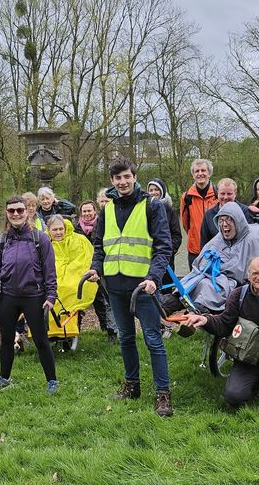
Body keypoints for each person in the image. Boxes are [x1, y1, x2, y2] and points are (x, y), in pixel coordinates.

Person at [85, 157, 174, 417]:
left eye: (126, 177)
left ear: (134, 177)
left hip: (143, 287)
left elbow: (163, 246)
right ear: (112, 181)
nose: (122, 182)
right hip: (114, 285)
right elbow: (100, 245)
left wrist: (154, 278)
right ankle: (132, 385)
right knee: (125, 338)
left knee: (153, 339)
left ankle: (163, 393)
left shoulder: (152, 206)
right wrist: (95, 267)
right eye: (117, 178)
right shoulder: (107, 210)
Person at [184, 255, 259, 423]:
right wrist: (206, 320)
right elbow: (224, 324)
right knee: (234, 398)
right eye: (255, 273)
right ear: (248, 276)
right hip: (248, 359)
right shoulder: (238, 295)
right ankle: (255, 383)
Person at [0, 195, 59, 394]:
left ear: (27, 212)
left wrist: (51, 297)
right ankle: (5, 377)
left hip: (34, 296)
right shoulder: (1, 241)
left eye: (20, 210)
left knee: (41, 340)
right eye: (11, 211)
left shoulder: (40, 238)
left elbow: (50, 271)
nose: (16, 214)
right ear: (7, 214)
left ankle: (52, 381)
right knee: (7, 339)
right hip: (8, 297)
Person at [178, 202, 259, 319]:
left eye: (229, 220)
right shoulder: (218, 240)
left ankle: (198, 311)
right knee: (194, 280)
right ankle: (170, 303)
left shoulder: (252, 239)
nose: (224, 224)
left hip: (236, 285)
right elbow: (199, 264)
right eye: (221, 220)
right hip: (216, 280)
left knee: (206, 285)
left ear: (238, 221)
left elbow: (257, 270)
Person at [46, 215, 98, 337]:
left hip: (75, 276)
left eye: (60, 229)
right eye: (55, 230)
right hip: (53, 277)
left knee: (70, 288)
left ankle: (71, 327)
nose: (58, 232)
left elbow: (85, 260)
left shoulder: (78, 240)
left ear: (65, 228)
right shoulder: (44, 243)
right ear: (49, 231)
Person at [73, 200, 116, 342]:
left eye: (89, 211)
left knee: (102, 299)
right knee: (78, 299)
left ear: (95, 211)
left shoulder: (101, 225)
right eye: (84, 211)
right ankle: (75, 331)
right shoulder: (75, 228)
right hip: (81, 269)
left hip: (100, 267)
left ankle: (108, 329)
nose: (86, 214)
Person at [180, 158, 218, 267]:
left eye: (203, 170)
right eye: (197, 171)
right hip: (195, 249)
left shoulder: (218, 194)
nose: (200, 174)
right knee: (195, 282)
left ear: (209, 173)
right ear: (193, 175)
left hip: (216, 248)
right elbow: (185, 223)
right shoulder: (187, 197)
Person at [199, 178, 254, 248]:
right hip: (217, 256)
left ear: (235, 194)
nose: (225, 197)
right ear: (217, 193)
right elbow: (204, 242)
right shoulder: (209, 214)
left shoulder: (245, 211)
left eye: (229, 194)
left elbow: (251, 239)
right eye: (222, 194)